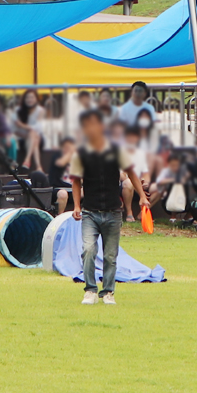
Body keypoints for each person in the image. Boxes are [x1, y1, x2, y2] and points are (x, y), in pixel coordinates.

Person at [70, 110, 145, 306]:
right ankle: (90, 290)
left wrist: (143, 196)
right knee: (88, 250)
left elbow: (131, 173)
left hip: (113, 211)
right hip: (90, 212)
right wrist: (76, 205)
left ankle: (108, 292)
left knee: (110, 256)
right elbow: (76, 180)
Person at [121, 126, 151, 220]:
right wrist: (135, 182)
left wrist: (146, 182)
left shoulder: (141, 153)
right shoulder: (120, 152)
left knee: (157, 188)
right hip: (125, 183)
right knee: (128, 183)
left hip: (140, 183)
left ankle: (143, 212)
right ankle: (129, 213)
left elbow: (146, 173)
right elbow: (120, 174)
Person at [15, 89, 45, 170]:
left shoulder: (40, 110)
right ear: (24, 99)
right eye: (27, 97)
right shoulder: (19, 110)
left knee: (33, 135)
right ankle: (38, 166)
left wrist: (23, 126)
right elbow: (15, 130)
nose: (29, 100)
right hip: (23, 139)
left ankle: (27, 159)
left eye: (32, 97)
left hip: (37, 138)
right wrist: (28, 132)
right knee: (34, 136)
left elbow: (38, 127)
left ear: (36, 99)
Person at [50, 136, 76, 213]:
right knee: (63, 194)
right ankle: (59, 217)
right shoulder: (57, 156)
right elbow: (61, 163)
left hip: (72, 189)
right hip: (58, 189)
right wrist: (70, 152)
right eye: (66, 147)